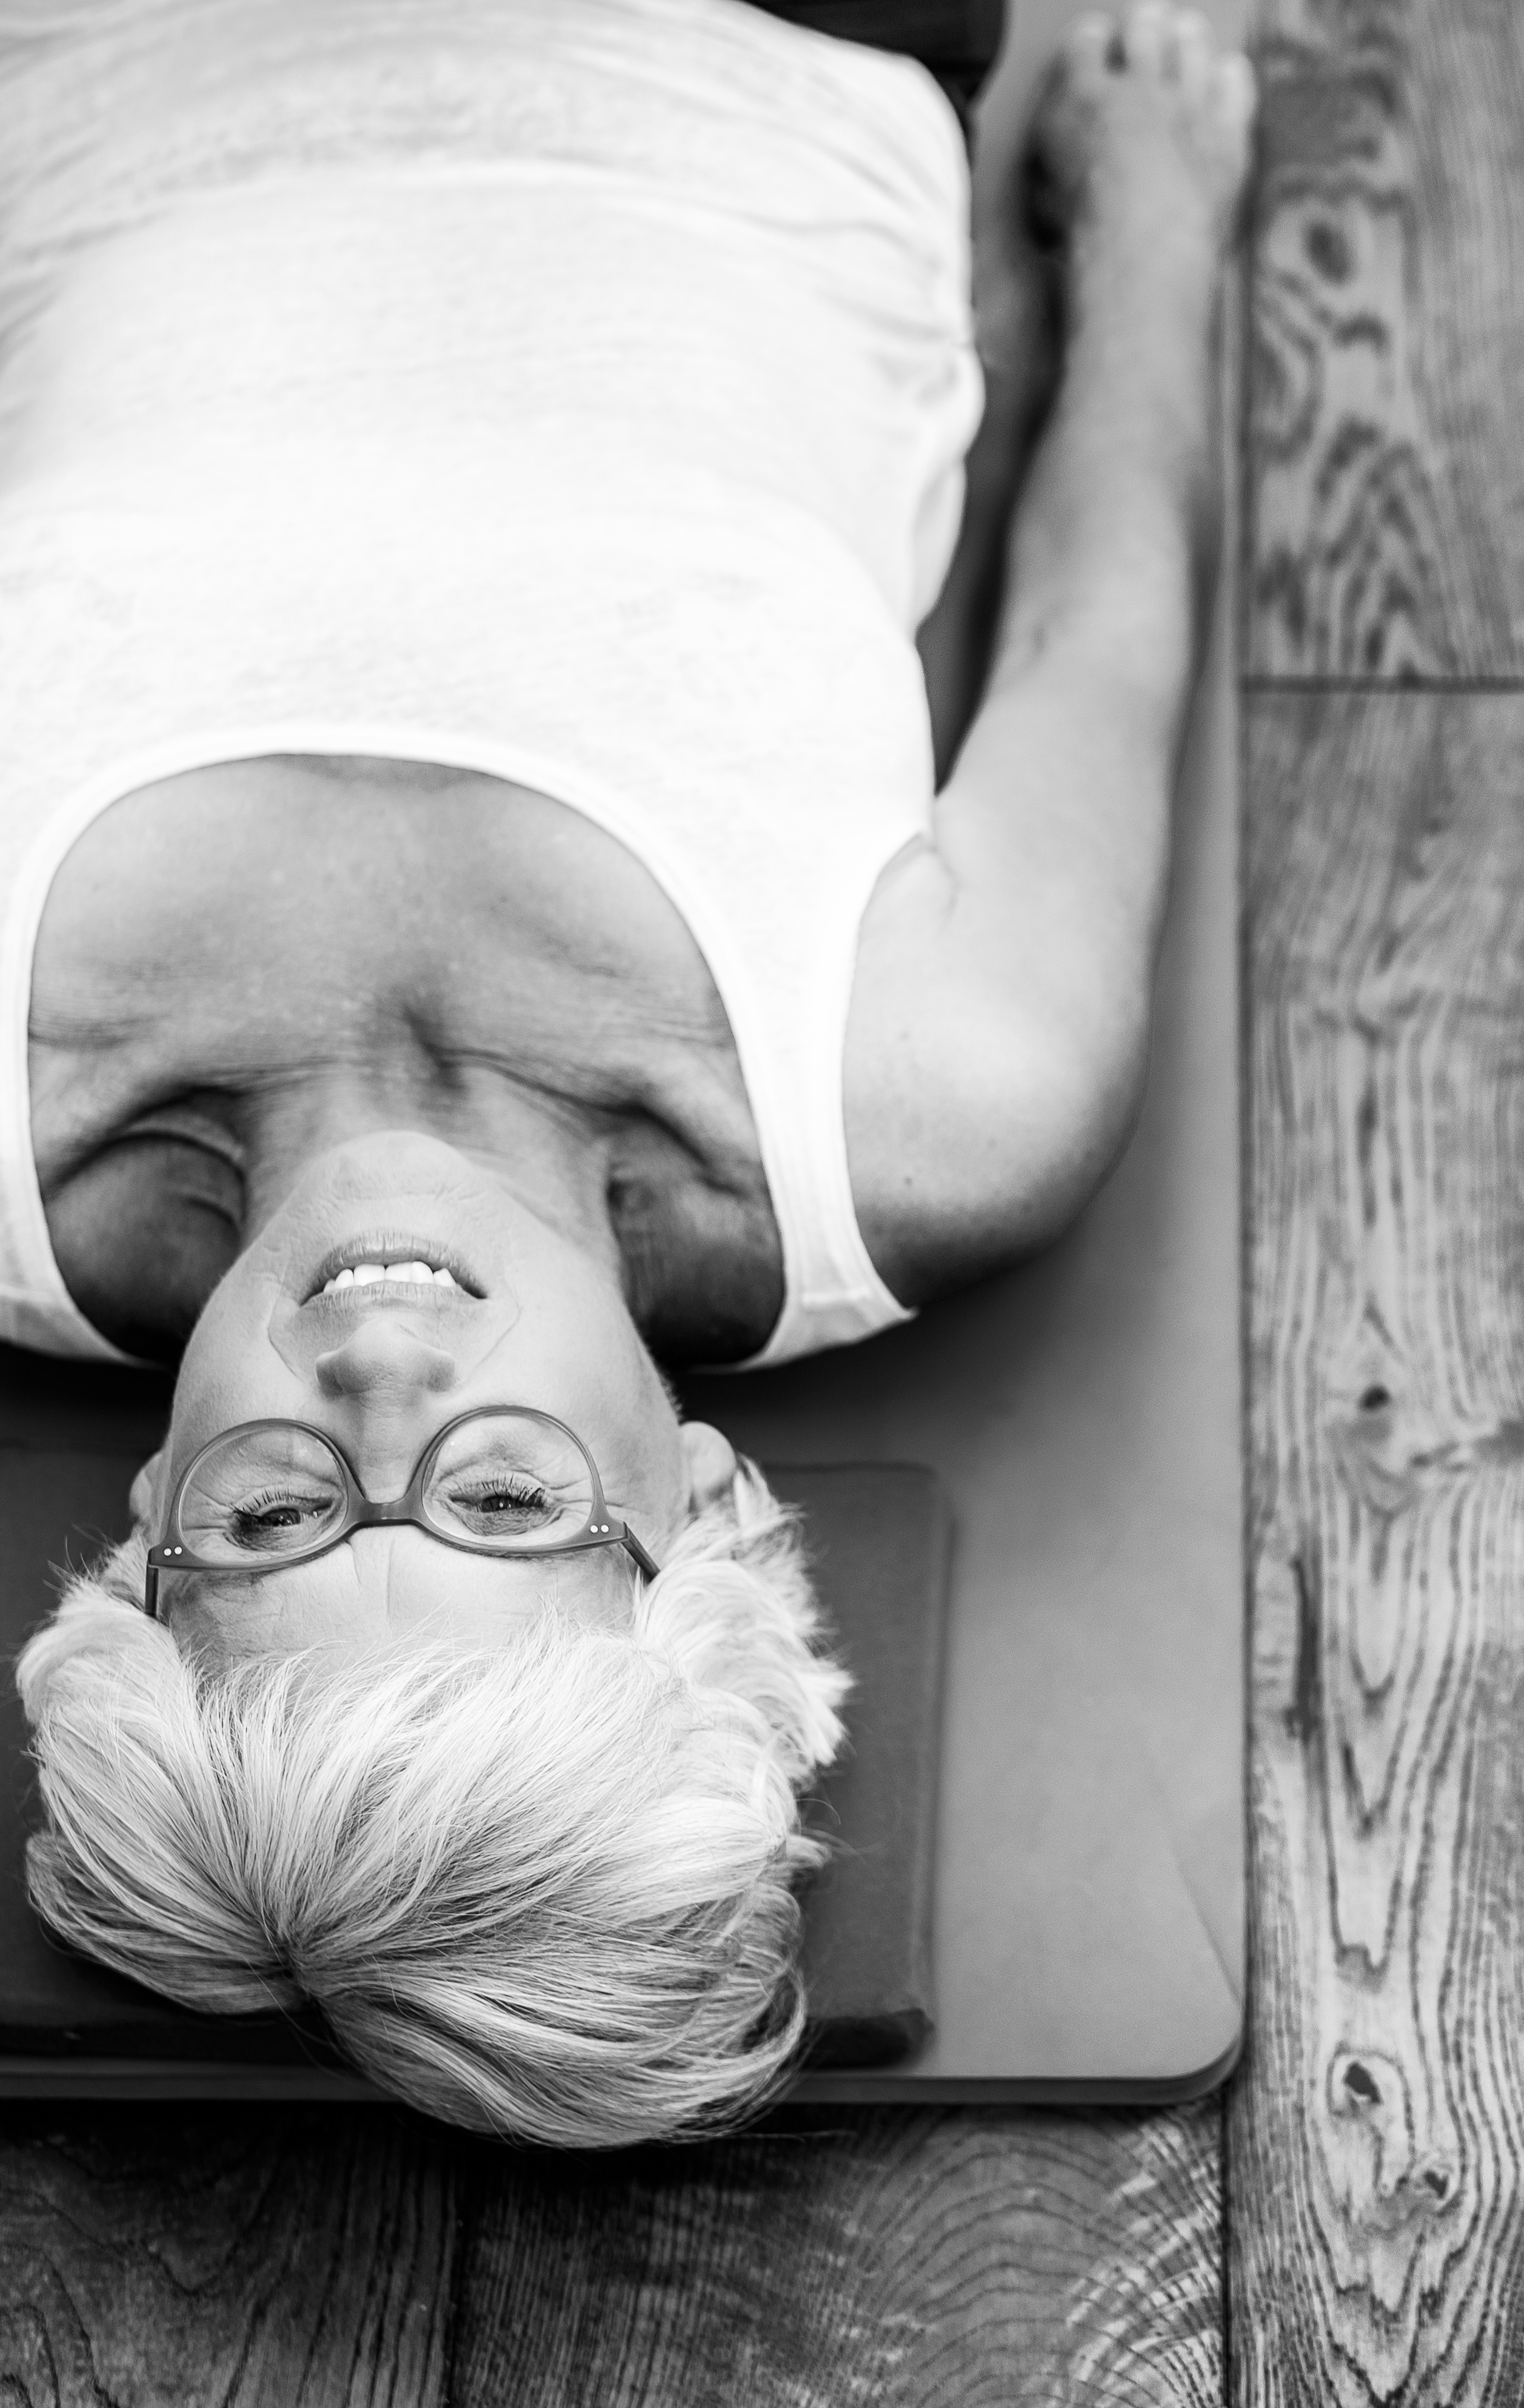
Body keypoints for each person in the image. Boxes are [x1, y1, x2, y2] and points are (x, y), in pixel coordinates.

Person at [3, 0, 1254, 2146]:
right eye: (503, 1503)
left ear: (142, 1540)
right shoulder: (927, 1109)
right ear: (696, 1507)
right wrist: (1160, 216)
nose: (378, 1398)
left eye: (279, 1510)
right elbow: (1097, 624)